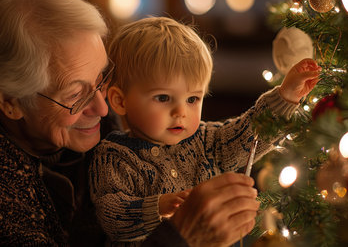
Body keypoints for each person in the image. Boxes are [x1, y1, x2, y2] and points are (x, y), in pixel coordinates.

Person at [0, 0, 262, 246]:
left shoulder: (91, 123)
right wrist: (181, 237)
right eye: (76, 94)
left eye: (102, 79)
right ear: (10, 101)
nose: (104, 109)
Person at [89, 17, 321, 246]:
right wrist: (158, 206)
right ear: (120, 101)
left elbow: (251, 132)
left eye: (192, 99)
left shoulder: (206, 140)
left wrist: (285, 97)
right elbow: (111, 217)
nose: (180, 111)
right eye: (163, 98)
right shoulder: (114, 157)